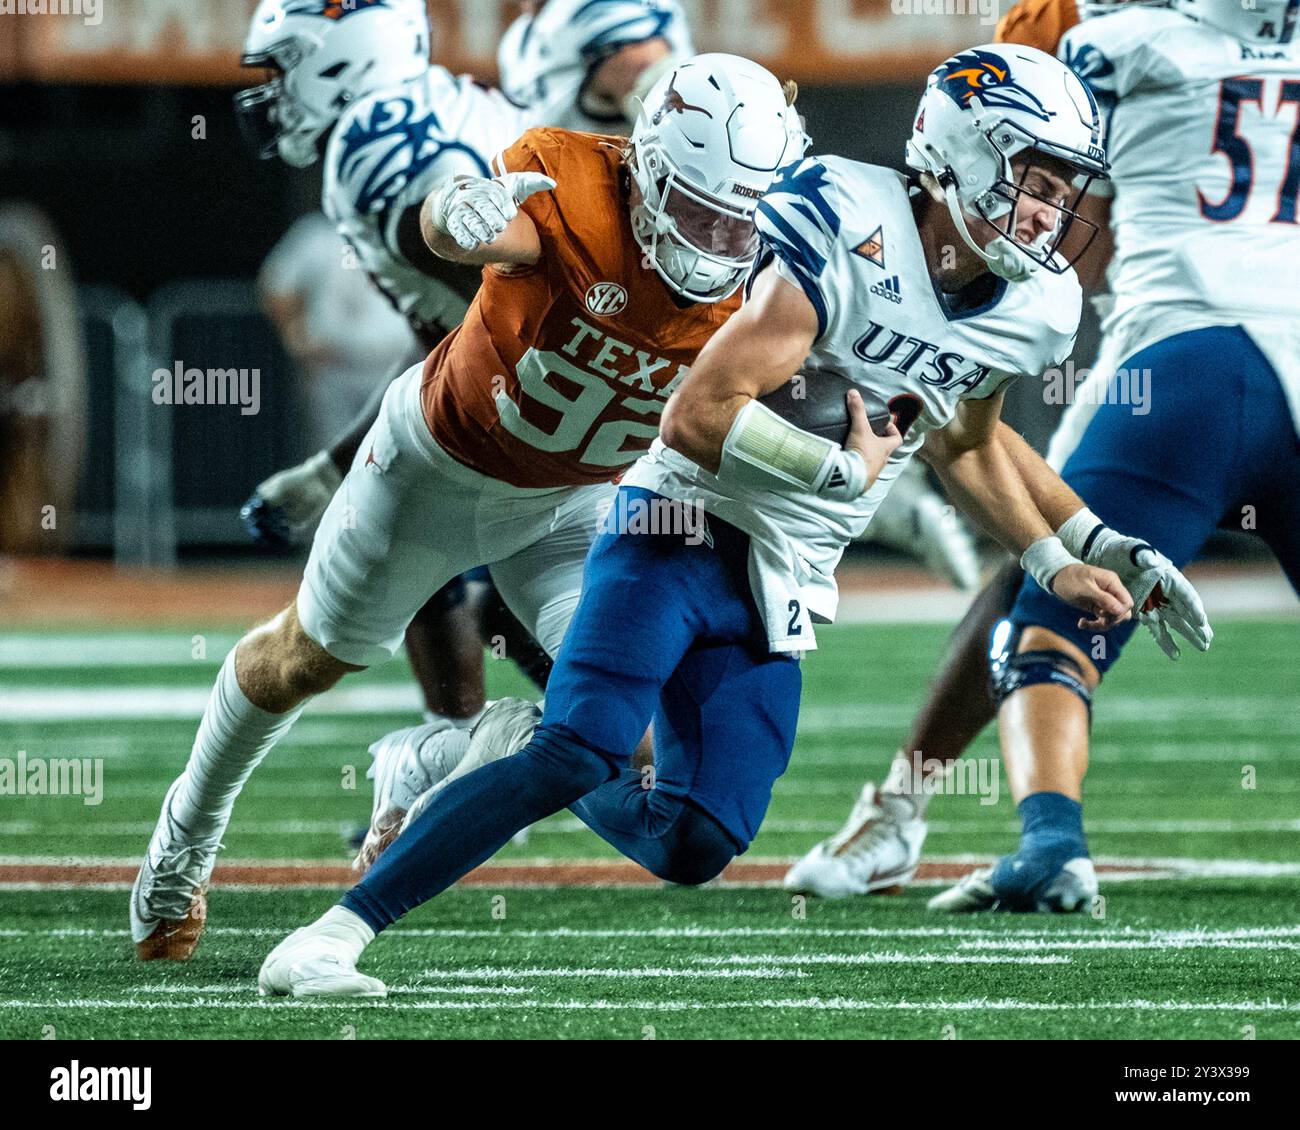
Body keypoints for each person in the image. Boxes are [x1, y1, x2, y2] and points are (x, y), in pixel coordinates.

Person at [257, 44, 1205, 998]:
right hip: (679, 518)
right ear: (960, 151)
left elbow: (969, 441)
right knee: (583, 745)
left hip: (787, 573)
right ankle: (333, 936)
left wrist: (1078, 547)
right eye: (1033, 180)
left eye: (1062, 189)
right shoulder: (843, 216)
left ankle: (490, 741)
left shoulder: (1035, 305)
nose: (1050, 212)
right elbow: (698, 414)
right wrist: (836, 467)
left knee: (699, 838)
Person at [130, 52, 802, 960]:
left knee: (618, 743)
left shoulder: (779, 254)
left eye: (738, 219)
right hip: (434, 471)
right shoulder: (575, 185)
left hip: (574, 502)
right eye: (696, 210)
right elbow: (457, 229)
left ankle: (440, 754)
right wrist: (455, 211)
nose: (719, 242)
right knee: (303, 660)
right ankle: (184, 837)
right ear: (647, 168)